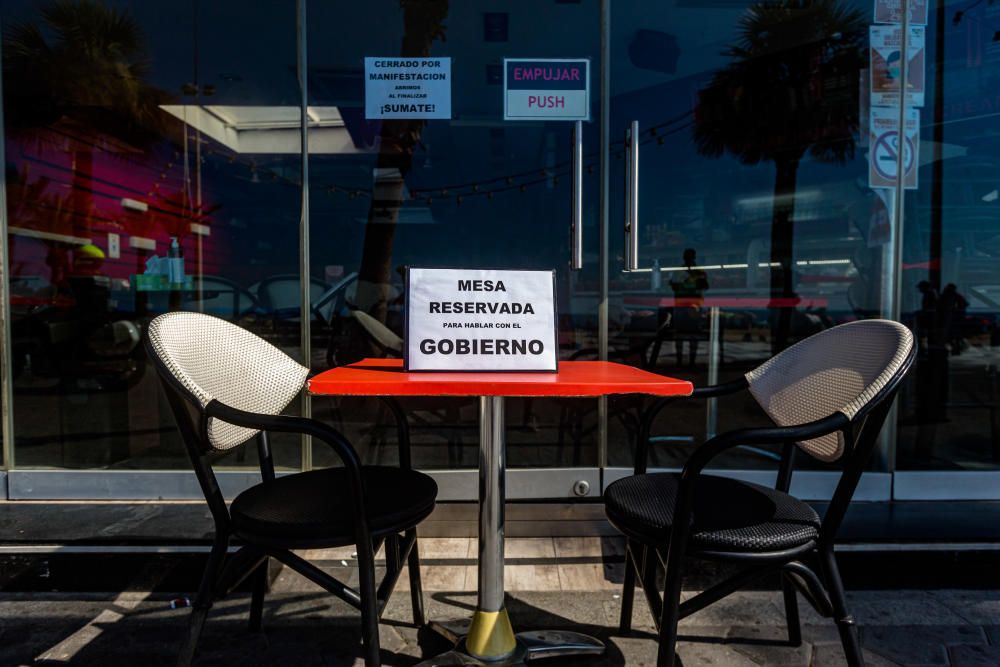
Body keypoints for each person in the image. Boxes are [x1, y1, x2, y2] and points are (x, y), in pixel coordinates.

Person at [669, 248, 709, 366]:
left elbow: (705, 286)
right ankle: (680, 361)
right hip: (683, 306)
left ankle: (691, 361)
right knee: (681, 335)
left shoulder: (698, 271)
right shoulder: (680, 271)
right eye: (688, 256)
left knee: (692, 335)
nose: (689, 258)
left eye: (691, 256)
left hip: (693, 306)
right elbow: (674, 286)